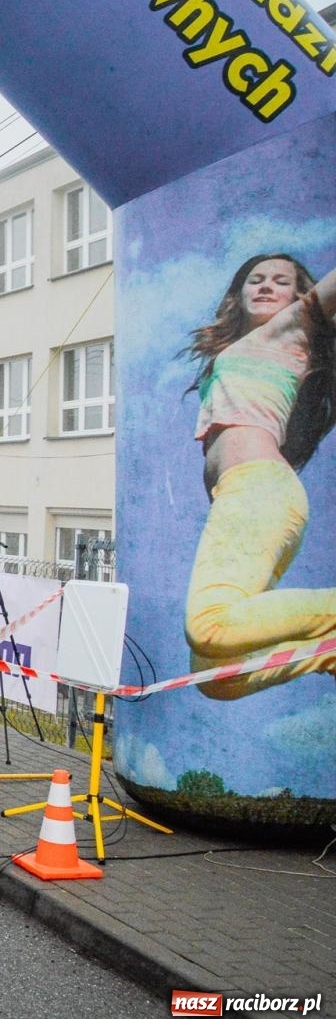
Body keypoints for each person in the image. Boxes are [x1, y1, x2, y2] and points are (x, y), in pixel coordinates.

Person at [184, 253, 336, 698]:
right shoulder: (245, 348)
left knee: (207, 627)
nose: (266, 286)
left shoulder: (289, 329)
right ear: (238, 295)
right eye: (256, 279)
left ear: (299, 296)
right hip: (245, 500)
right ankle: (327, 651)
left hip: (258, 491)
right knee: (217, 678)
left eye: (280, 281)